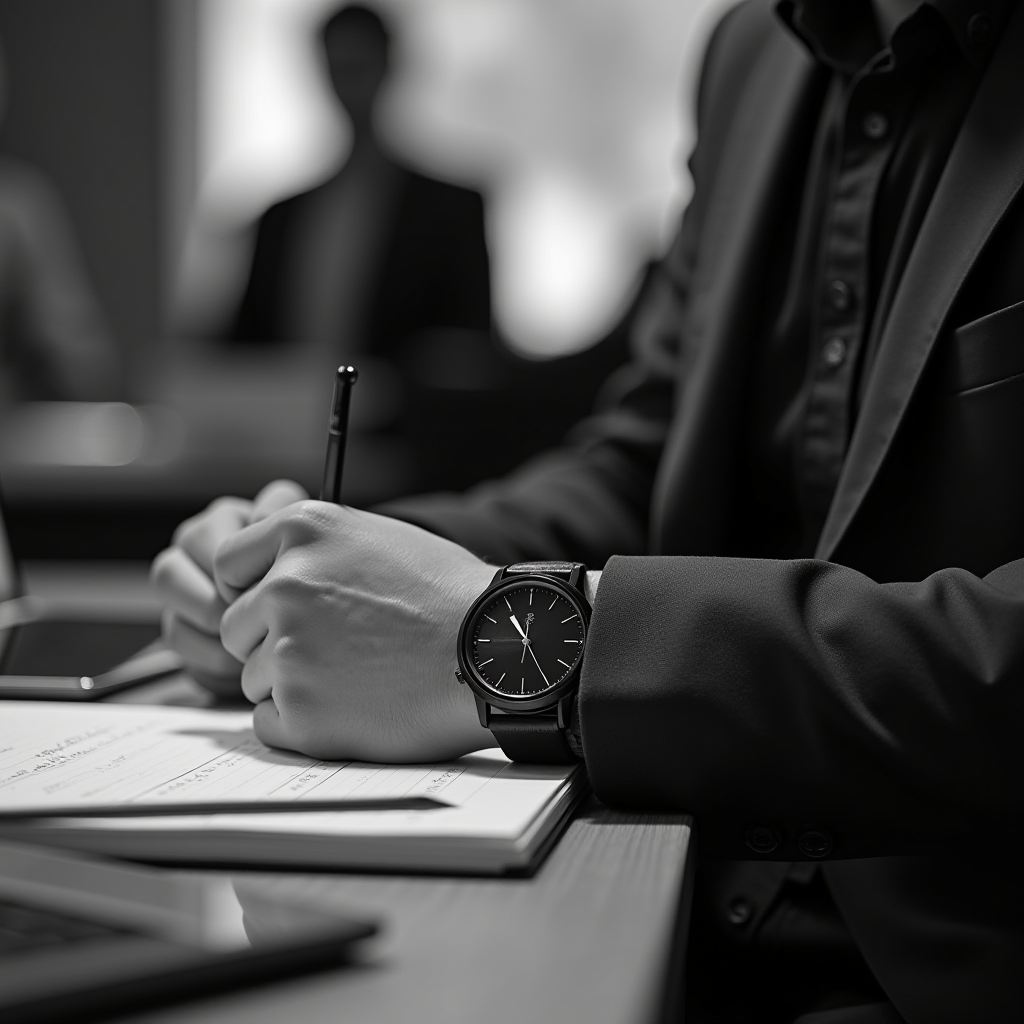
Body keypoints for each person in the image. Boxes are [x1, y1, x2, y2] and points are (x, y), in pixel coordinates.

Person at [152, 0, 1024, 1020]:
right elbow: (640, 466)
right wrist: (318, 570)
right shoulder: (753, 52)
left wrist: (516, 641)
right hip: (664, 876)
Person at [228, 4, 490, 388]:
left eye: (359, 66)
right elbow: (243, 347)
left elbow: (467, 352)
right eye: (338, 69)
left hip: (405, 436)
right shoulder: (281, 217)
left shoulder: (451, 211)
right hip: (287, 433)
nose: (350, 86)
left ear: (389, 67)